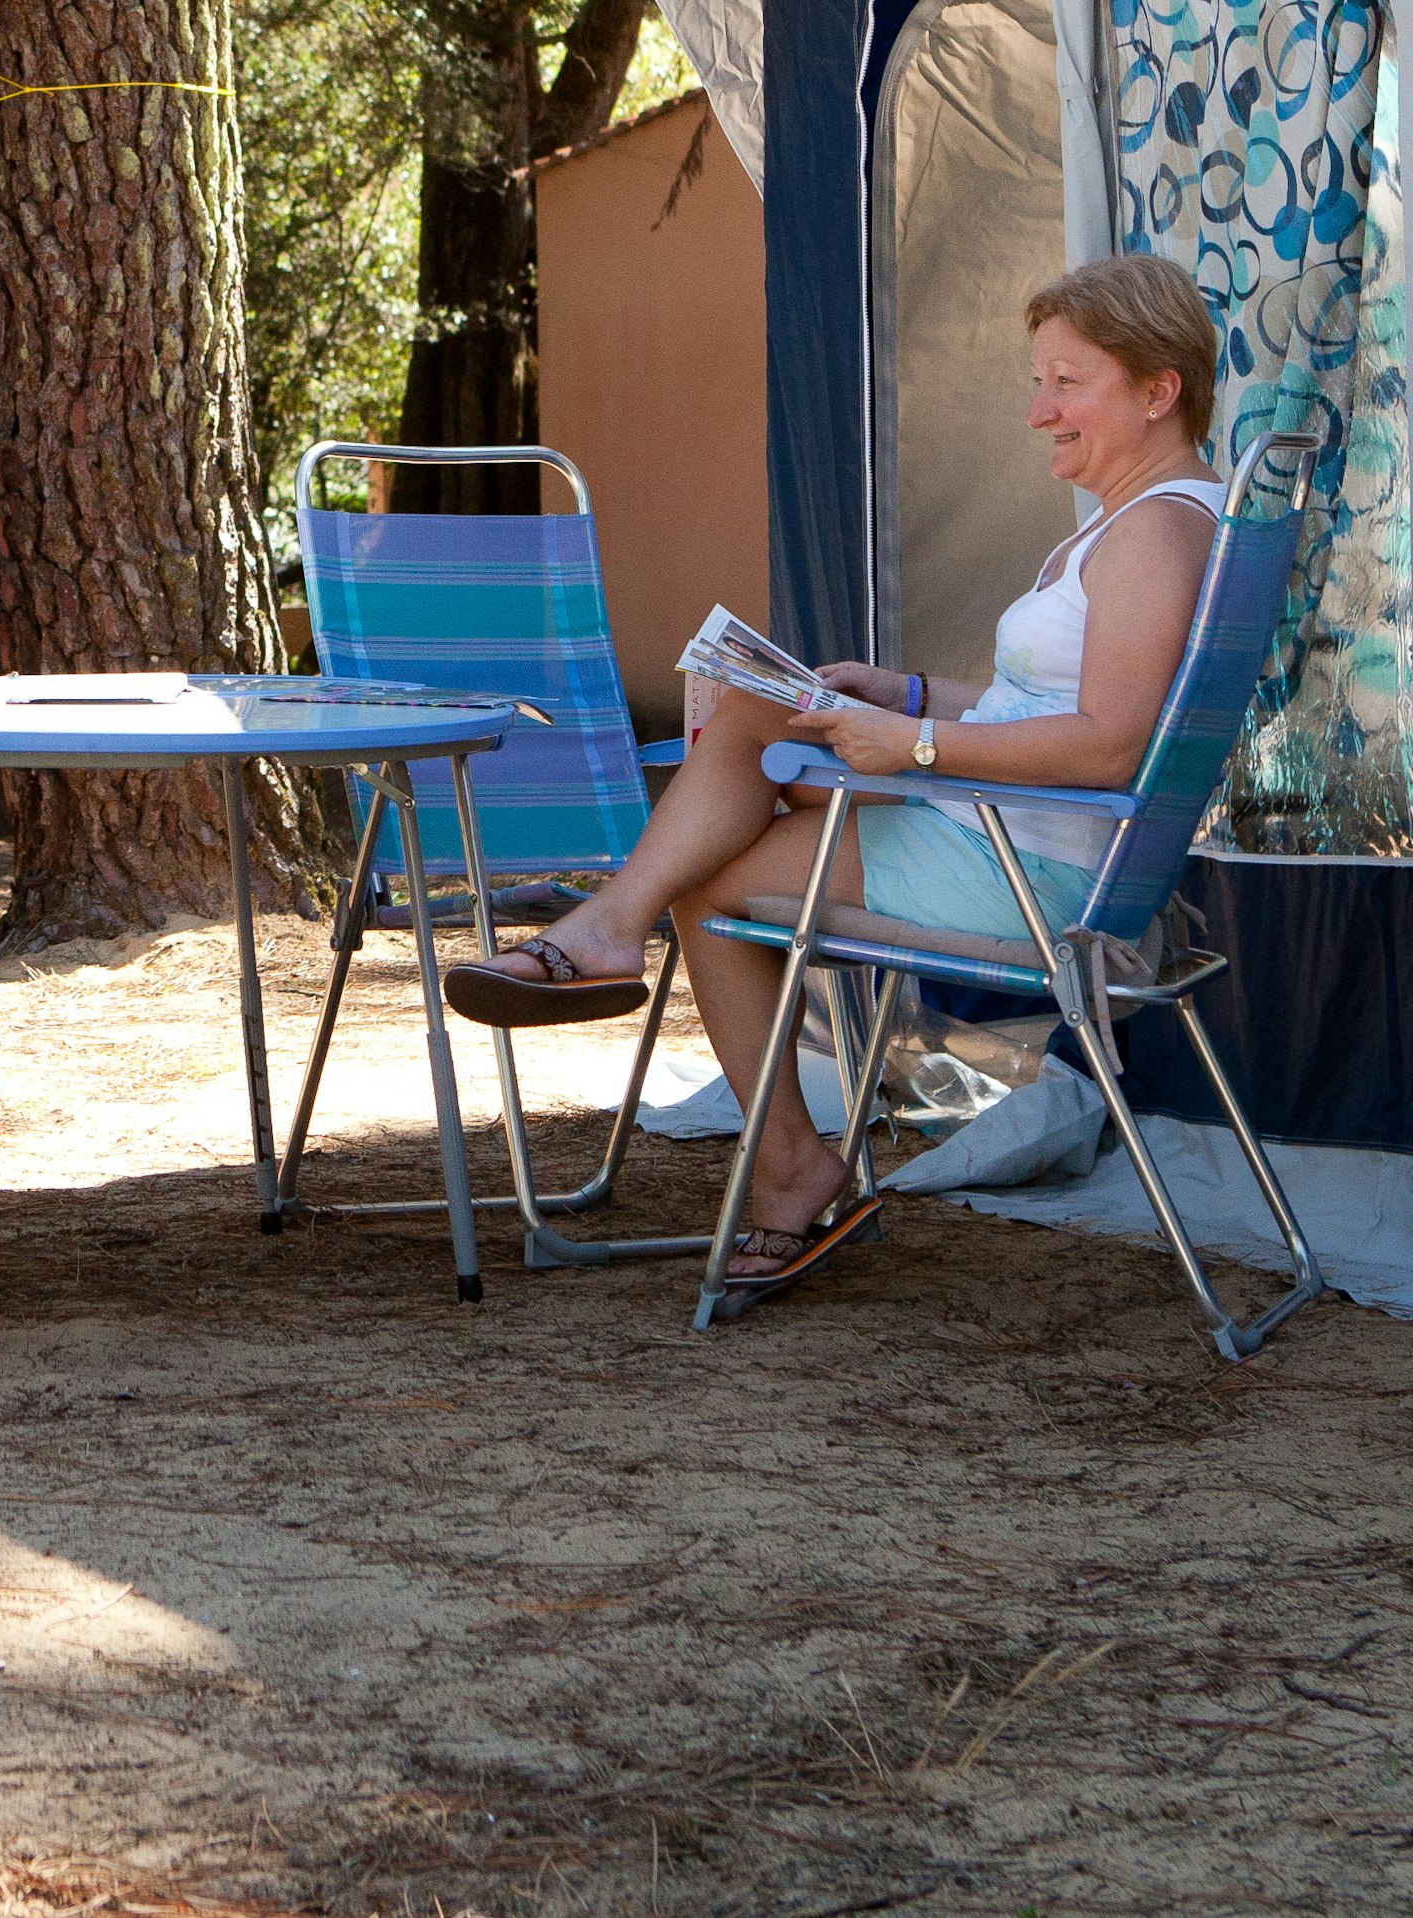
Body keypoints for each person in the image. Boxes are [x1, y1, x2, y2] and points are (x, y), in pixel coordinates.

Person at [445, 253, 1231, 1293]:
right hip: (1012, 828)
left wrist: (912, 747)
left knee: (710, 881)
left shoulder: (1154, 536)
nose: (1039, 411)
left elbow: (1108, 744)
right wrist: (905, 696)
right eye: (1037, 382)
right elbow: (1046, 709)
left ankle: (754, 1121)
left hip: (1027, 869)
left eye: (1065, 382)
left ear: (1157, 388)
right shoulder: (1152, 521)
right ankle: (615, 937)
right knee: (765, 706)